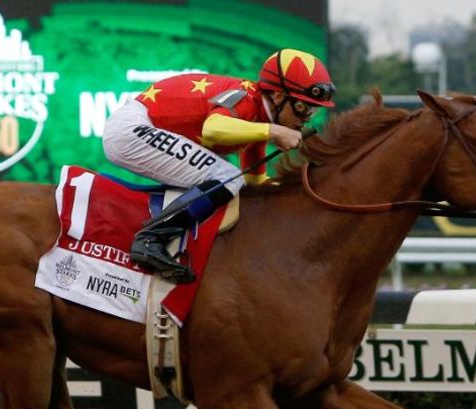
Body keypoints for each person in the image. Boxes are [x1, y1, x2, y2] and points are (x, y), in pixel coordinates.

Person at [103, 48, 336, 282]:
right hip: (130, 129)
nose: (308, 117)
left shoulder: (260, 116)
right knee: (228, 176)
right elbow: (212, 129)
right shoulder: (246, 96)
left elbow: (256, 183)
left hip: (135, 128)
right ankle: (150, 239)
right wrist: (274, 131)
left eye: (313, 109)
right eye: (303, 106)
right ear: (277, 97)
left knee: (233, 180)